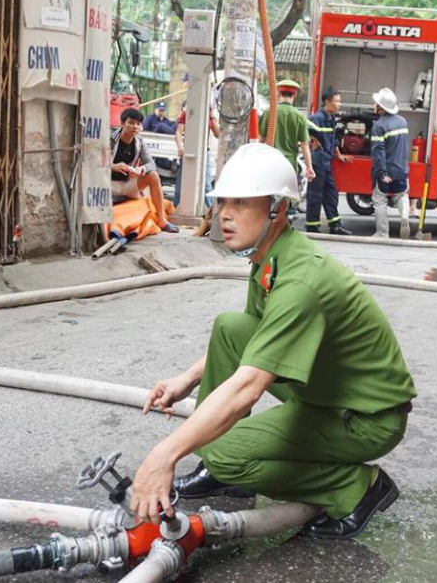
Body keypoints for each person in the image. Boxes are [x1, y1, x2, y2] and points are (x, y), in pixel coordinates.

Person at [128, 143, 416, 540]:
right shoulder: (272, 256)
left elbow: (248, 385)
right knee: (231, 328)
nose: (224, 214)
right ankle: (221, 471)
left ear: (277, 209)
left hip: (365, 419)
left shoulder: (299, 283)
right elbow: (253, 338)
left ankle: (355, 487)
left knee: (225, 454)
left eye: (241, 203)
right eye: (223, 201)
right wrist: (186, 379)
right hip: (330, 390)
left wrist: (164, 455)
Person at [109, 108, 179, 233]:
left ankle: (162, 220)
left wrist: (140, 169)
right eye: (131, 122)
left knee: (153, 175)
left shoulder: (139, 142)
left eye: (138, 123)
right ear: (122, 123)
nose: (135, 126)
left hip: (127, 185)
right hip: (108, 185)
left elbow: (151, 164)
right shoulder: (110, 139)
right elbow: (95, 163)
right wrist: (113, 166)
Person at [306, 87, 352, 235]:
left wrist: (339, 154)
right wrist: (312, 139)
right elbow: (303, 133)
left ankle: (335, 225)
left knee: (331, 193)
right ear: (327, 102)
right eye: (337, 101)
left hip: (326, 161)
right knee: (315, 195)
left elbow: (334, 139)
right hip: (317, 161)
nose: (339, 104)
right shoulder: (317, 118)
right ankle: (312, 226)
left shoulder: (331, 119)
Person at [259, 79, 316, 199]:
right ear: (294, 95)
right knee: (286, 197)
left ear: (279, 93)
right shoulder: (299, 116)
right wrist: (309, 168)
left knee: (268, 195)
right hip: (289, 164)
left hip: (271, 161)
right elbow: (304, 144)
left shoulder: (270, 111)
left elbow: (261, 139)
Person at [370, 88, 411, 239]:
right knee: (402, 195)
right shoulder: (403, 121)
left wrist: (382, 173)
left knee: (379, 200)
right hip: (401, 169)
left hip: (387, 170)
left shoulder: (379, 126)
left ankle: (382, 233)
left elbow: (378, 152)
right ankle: (404, 216)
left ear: (380, 107)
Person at [174, 101, 220, 209]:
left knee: (207, 185)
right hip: (189, 150)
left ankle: (209, 210)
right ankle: (176, 208)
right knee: (181, 183)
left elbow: (218, 134)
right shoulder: (187, 113)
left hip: (204, 152)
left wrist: (212, 117)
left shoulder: (209, 117)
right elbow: (178, 132)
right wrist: (180, 147)